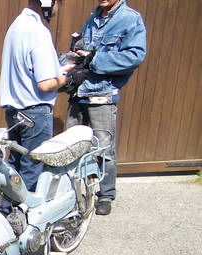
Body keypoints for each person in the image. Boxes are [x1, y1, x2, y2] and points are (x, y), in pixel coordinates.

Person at [66, 0, 146, 216]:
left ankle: (106, 195)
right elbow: (85, 50)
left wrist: (94, 59)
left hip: (102, 94)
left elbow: (134, 56)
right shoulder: (94, 17)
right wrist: (78, 48)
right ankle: (71, 194)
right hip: (79, 92)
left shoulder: (130, 19)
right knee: (70, 147)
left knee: (104, 149)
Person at [0, 0, 72, 193]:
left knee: (14, 169)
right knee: (32, 171)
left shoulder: (16, 26)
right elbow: (46, 83)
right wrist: (68, 78)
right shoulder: (38, 31)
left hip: (14, 113)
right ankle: (25, 219)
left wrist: (59, 71)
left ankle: (8, 215)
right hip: (35, 113)